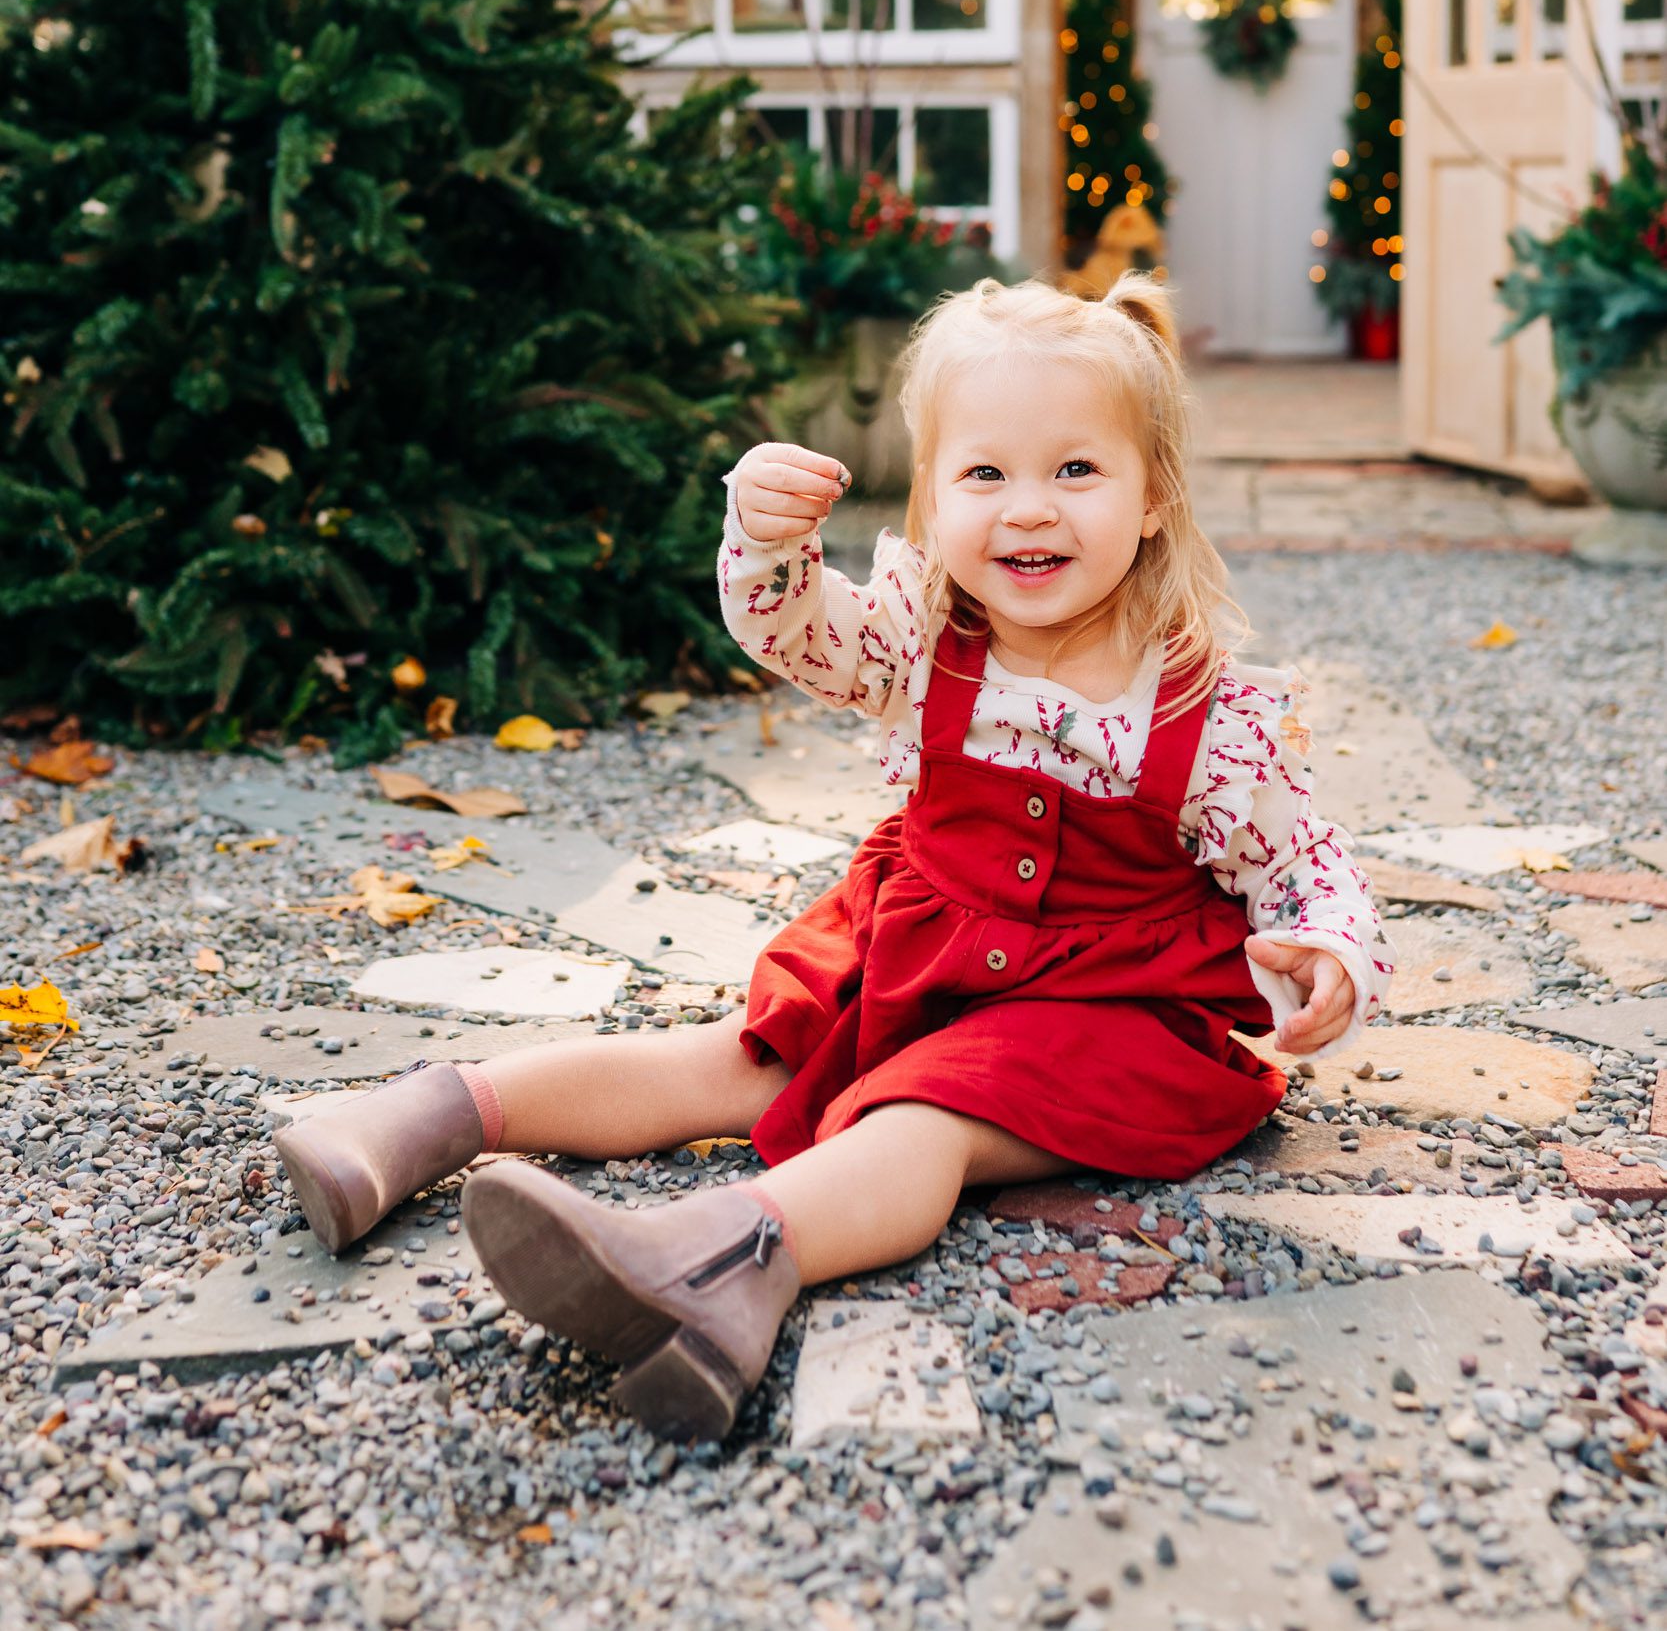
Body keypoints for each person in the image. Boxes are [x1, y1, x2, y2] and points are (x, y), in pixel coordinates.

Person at [274, 275, 1391, 1443]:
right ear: (927, 498)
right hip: (928, 947)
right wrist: (768, 538)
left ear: (1152, 495)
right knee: (746, 1057)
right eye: (983, 474)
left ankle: (718, 1261)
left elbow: (1303, 854)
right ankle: (424, 1119)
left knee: (923, 1117)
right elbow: (794, 632)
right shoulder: (917, 643)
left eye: (1074, 471)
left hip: (1101, 1012)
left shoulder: (1208, 717)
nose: (1027, 510)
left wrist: (1327, 948)